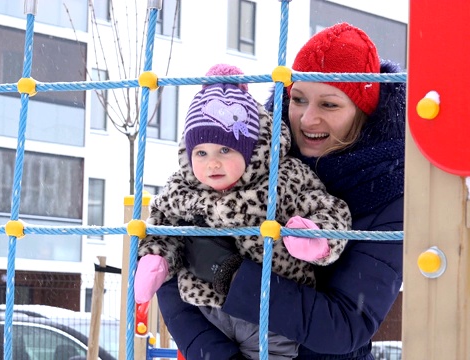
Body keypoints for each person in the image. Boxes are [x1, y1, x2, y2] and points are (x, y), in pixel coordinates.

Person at [155, 22, 405, 360]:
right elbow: (172, 277)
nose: (306, 119)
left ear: (362, 110)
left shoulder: (387, 194)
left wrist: (229, 274)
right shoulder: (249, 156)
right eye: (298, 99)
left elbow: (345, 324)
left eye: (329, 105)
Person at [134, 63, 352, 359]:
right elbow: (163, 225)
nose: (212, 163)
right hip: (206, 310)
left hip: (272, 317)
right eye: (201, 152)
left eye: (225, 150)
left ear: (250, 150)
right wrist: (156, 259)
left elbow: (328, 208)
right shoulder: (182, 188)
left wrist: (316, 238)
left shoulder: (281, 178)